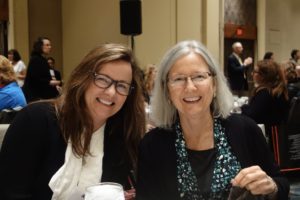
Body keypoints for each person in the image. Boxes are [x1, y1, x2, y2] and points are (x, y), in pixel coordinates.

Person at [136, 40, 289, 199]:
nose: (190, 87)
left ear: (214, 85)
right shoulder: (151, 146)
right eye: (178, 79)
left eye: (199, 76)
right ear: (167, 91)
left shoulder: (245, 130)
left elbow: (281, 185)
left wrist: (271, 186)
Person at [0, 43, 146, 199]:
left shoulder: (122, 137)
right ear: (83, 78)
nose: (111, 92)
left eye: (122, 86)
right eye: (103, 80)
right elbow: (9, 193)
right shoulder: (35, 120)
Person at [241, 60, 289, 129]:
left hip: (265, 134)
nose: (252, 74)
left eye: (255, 72)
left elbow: (251, 116)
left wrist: (243, 107)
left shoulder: (265, 93)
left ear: (263, 76)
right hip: (276, 132)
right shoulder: (278, 90)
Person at [22, 37, 61, 103]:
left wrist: (56, 85)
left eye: (50, 45)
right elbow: (38, 80)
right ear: (40, 46)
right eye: (47, 45)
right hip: (36, 97)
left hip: (40, 95)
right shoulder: (36, 60)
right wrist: (58, 82)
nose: (50, 47)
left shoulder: (42, 60)